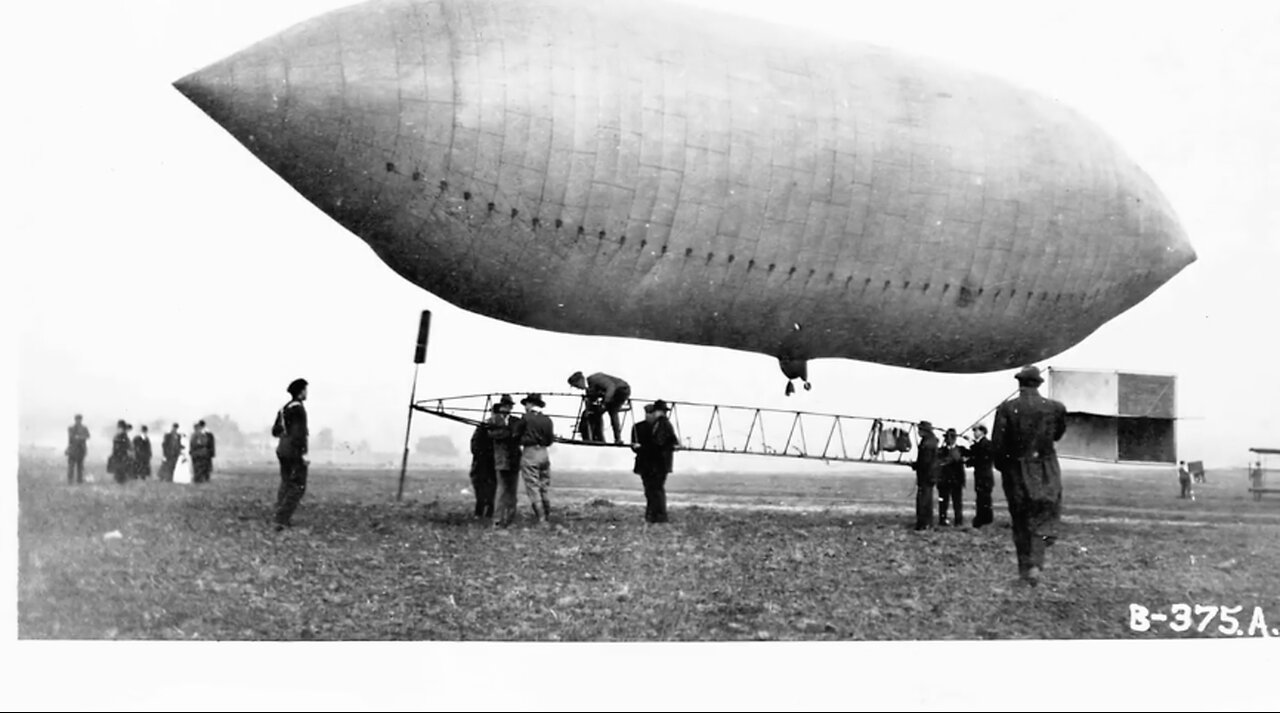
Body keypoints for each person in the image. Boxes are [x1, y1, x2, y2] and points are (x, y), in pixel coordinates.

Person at [992, 365, 1067, 586]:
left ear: (1019, 384)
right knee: (1043, 514)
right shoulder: (1055, 408)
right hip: (1046, 468)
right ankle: (1035, 563)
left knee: (1020, 518)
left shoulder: (1007, 409)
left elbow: (998, 444)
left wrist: (1004, 467)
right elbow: (1058, 435)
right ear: (1039, 384)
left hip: (1017, 469)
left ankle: (1026, 568)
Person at [631, 400, 679, 523]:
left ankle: (659, 517)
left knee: (656, 490)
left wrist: (640, 448)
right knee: (650, 490)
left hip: (658, 464)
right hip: (650, 464)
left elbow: (659, 444)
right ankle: (653, 516)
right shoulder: (640, 426)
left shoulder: (663, 424)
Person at [273, 378, 310, 531]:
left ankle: (279, 515)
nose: (307, 392)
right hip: (294, 450)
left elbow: (275, 431)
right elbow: (299, 434)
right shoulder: (299, 409)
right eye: (305, 390)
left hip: (282, 448)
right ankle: (282, 517)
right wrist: (303, 454)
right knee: (298, 486)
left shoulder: (284, 409)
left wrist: (285, 436)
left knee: (286, 482)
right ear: (301, 392)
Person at [514, 393, 555, 525]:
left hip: (530, 452)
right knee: (544, 485)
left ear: (530, 404)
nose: (525, 407)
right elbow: (550, 440)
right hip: (544, 453)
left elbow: (515, 435)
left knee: (532, 486)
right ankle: (547, 516)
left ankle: (542, 519)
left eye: (526, 404)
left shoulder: (526, 418)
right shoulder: (548, 420)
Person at [487, 394, 523, 528]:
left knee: (512, 492)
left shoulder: (516, 420)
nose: (507, 408)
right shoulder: (492, 421)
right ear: (501, 406)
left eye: (509, 406)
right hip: (501, 460)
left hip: (514, 460)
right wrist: (509, 434)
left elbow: (519, 436)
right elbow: (492, 435)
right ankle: (497, 520)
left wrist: (509, 434)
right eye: (505, 406)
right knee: (501, 491)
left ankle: (510, 519)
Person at [568, 371, 630, 445]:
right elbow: (591, 400)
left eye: (576, 385)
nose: (578, 388)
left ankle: (618, 439)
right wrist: (588, 410)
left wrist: (605, 402)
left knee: (612, 410)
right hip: (612, 393)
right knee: (596, 412)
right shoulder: (590, 388)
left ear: (581, 381)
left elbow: (611, 387)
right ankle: (596, 437)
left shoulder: (595, 378)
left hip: (621, 390)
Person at [469, 405, 499, 519]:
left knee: (492, 489)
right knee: (481, 489)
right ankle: (480, 512)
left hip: (491, 464)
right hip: (482, 464)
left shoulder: (499, 428)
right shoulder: (483, 427)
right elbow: (474, 446)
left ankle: (487, 513)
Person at [967, 425, 996, 528]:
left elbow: (980, 457)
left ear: (983, 432)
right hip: (982, 476)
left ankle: (984, 520)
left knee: (984, 499)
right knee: (981, 498)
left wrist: (972, 445)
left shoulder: (986, 444)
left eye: (976, 430)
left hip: (985, 476)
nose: (974, 433)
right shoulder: (981, 444)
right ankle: (983, 519)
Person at [913, 421, 938, 531]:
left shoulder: (927, 442)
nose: (918, 432)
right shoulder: (932, 440)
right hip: (930, 475)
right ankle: (927, 523)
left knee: (923, 500)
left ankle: (923, 524)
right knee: (927, 500)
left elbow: (925, 461)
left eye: (920, 429)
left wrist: (916, 465)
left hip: (925, 475)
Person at [66, 414, 90, 484]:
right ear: (75, 420)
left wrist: (80, 437)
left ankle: (79, 480)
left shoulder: (84, 428)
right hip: (73, 449)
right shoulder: (71, 428)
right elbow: (70, 438)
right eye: (77, 419)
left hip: (81, 449)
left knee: (80, 466)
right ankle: (70, 480)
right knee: (71, 466)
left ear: (81, 420)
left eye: (79, 419)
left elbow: (88, 436)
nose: (78, 421)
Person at [108, 420, 132, 484]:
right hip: (118, 456)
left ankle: (122, 481)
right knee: (119, 472)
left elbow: (128, 446)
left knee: (123, 471)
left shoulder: (123, 436)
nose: (120, 429)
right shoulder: (118, 436)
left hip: (122, 456)